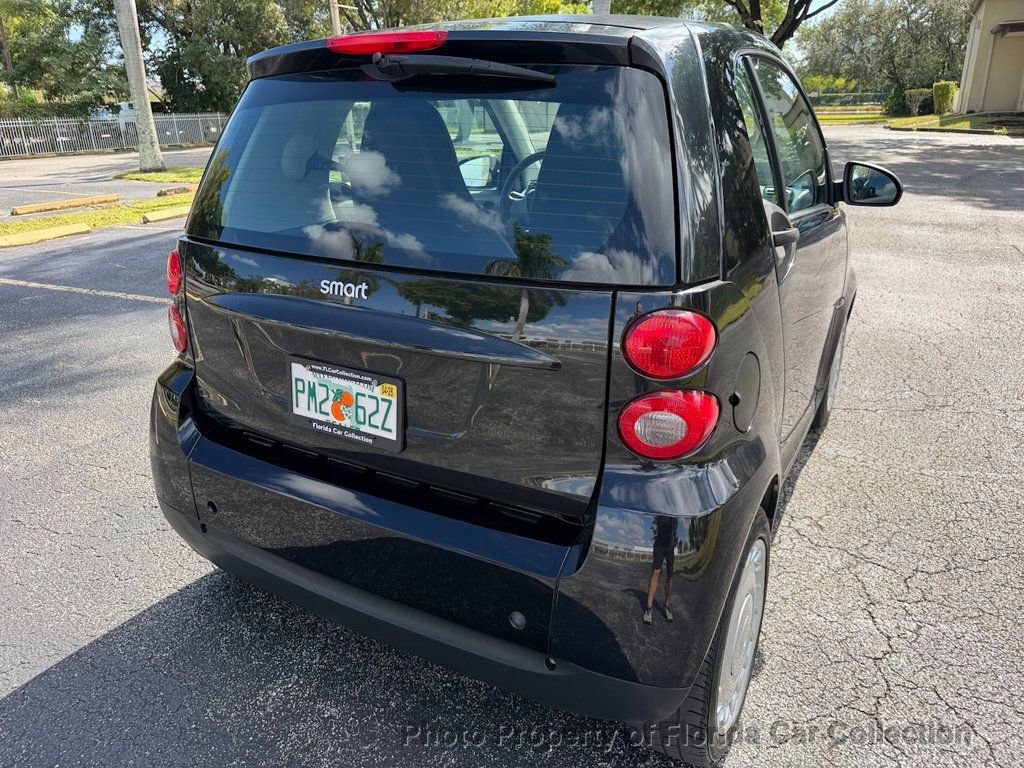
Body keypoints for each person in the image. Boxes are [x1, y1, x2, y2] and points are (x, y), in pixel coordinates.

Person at [644, 516, 678, 625]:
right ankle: (649, 608)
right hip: (659, 545)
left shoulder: (674, 508)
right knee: (656, 572)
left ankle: (667, 606)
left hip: (670, 546)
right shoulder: (660, 507)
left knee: (670, 576)